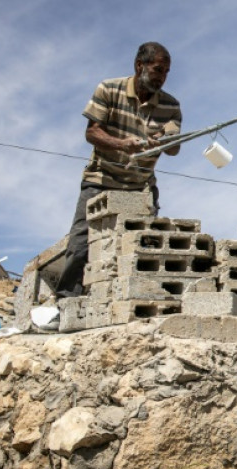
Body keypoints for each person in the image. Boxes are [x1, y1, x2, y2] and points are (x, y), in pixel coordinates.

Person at [55, 42, 182, 299]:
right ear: (139, 66)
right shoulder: (109, 89)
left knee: (145, 246)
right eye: (158, 70)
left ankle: (139, 301)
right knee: (81, 244)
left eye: (166, 72)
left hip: (140, 184)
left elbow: (174, 147)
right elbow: (92, 132)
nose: (162, 77)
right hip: (100, 178)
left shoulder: (171, 105)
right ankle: (66, 303)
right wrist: (123, 145)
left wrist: (166, 141)